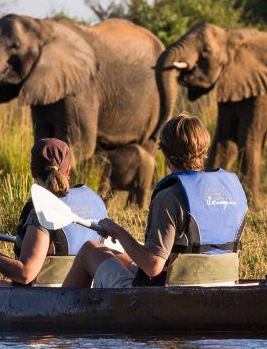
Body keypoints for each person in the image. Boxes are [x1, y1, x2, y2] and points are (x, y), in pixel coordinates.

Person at [63, 113, 247, 288]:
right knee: (122, 259)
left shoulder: (169, 196)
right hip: (224, 283)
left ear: (167, 156)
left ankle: (63, 315)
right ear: (204, 150)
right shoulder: (232, 189)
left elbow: (153, 266)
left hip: (167, 296)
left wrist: (118, 232)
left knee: (91, 250)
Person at [0, 138, 108, 286]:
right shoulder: (95, 200)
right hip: (88, 295)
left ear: (32, 172)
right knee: (3, 284)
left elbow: (25, 273)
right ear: (68, 169)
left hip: (48, 300)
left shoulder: (42, 210)